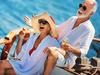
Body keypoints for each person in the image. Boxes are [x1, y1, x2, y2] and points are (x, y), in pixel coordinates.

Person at [43, 0, 97, 75]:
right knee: (37, 39)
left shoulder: (89, 29)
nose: (80, 9)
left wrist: (69, 48)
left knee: (51, 52)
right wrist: (39, 23)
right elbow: (56, 29)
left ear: (91, 13)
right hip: (57, 48)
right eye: (80, 5)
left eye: (84, 8)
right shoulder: (72, 19)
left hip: (67, 58)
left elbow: (83, 53)